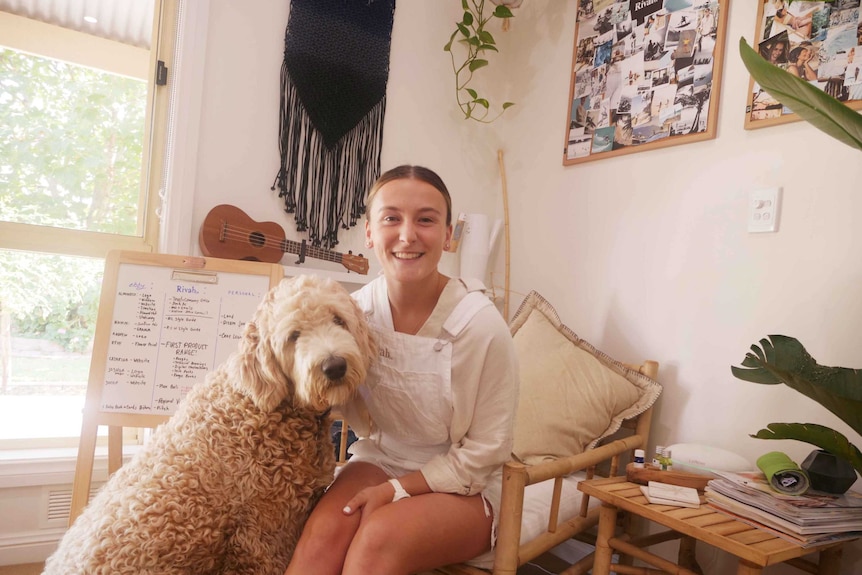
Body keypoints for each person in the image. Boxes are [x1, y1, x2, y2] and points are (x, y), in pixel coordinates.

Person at [284, 165, 519, 575]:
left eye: (426, 219)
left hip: (466, 485)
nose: (408, 235)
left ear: (448, 236)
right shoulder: (355, 314)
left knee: (378, 539)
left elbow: (486, 453)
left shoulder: (481, 326)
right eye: (391, 218)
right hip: (382, 458)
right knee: (321, 537)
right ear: (370, 234)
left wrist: (397, 491)